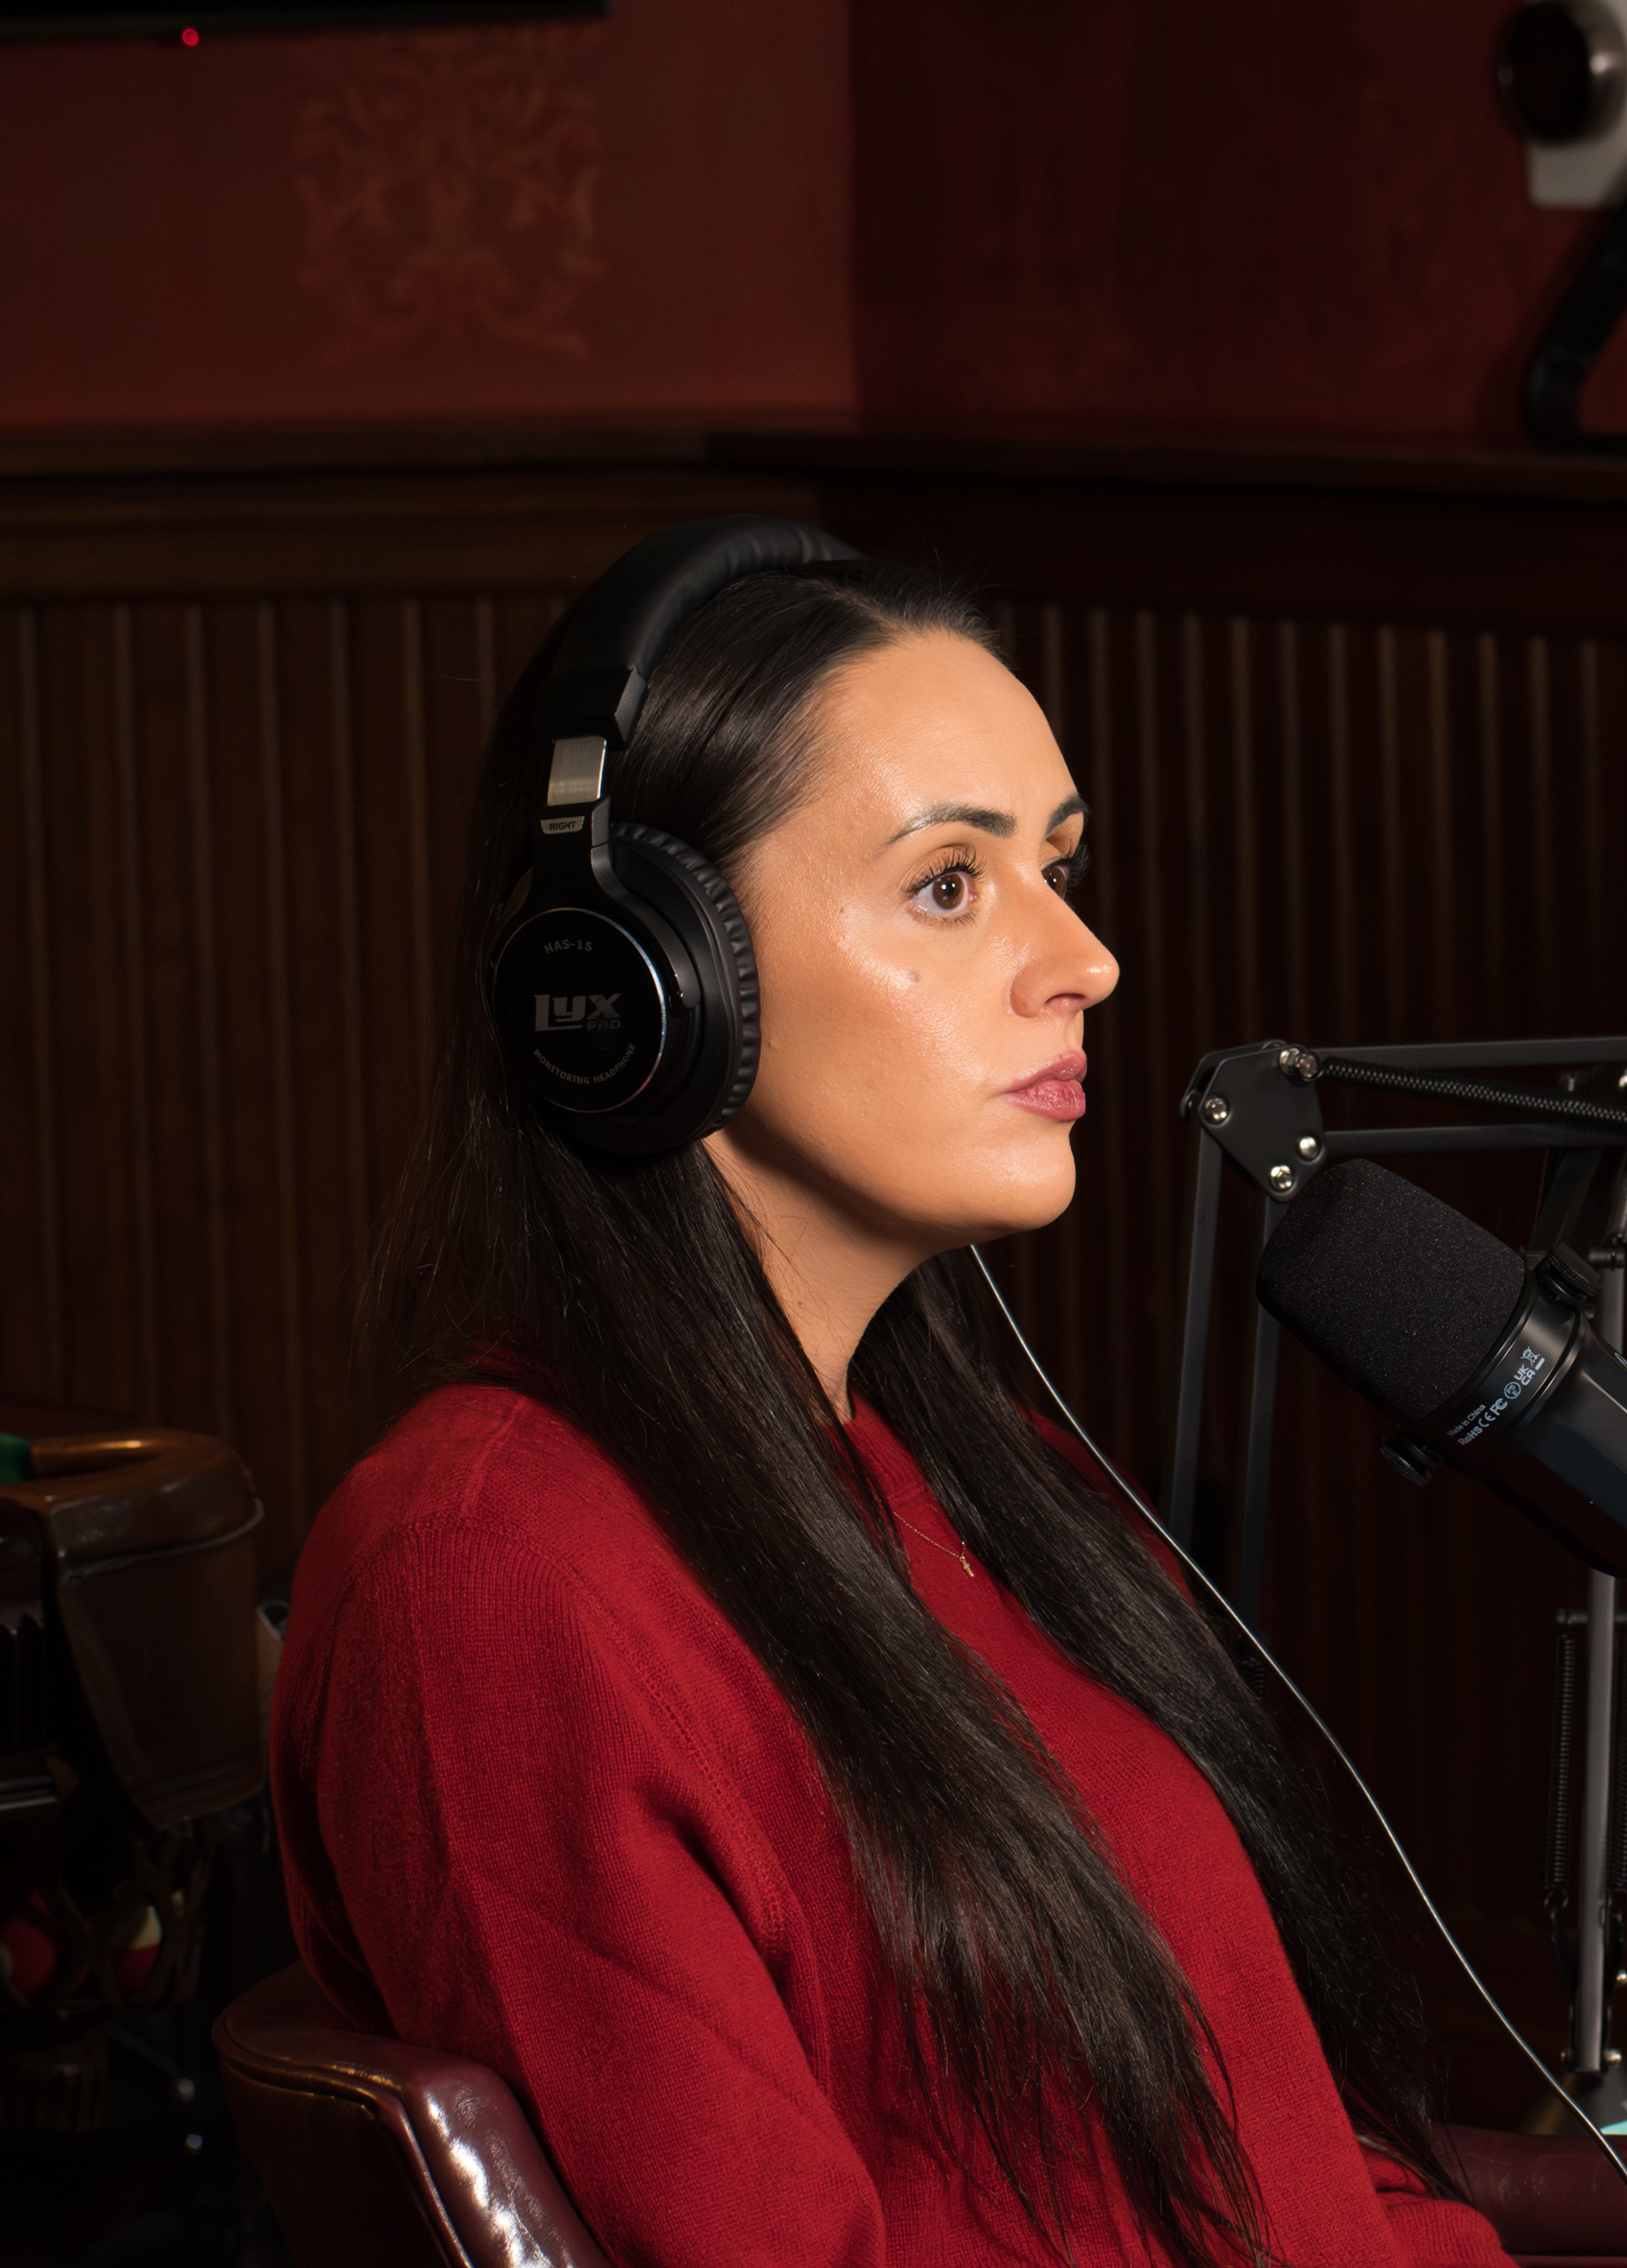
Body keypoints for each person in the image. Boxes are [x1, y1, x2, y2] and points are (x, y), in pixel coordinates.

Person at [272, 556, 1508, 2268]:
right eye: (947, 885)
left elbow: (1285, 2168)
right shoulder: (492, 1583)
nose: (1084, 958)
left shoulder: (997, 1495)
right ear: (640, 984)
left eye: (1056, 866)